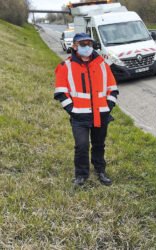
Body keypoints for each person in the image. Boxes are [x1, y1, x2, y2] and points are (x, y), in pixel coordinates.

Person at [54, 33, 119, 186]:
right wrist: (72, 110)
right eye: (83, 44)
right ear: (75, 46)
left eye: (89, 43)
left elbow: (113, 88)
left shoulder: (102, 64)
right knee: (81, 146)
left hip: (101, 115)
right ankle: (81, 175)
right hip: (79, 117)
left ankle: (100, 170)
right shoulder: (66, 66)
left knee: (99, 145)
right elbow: (61, 92)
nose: (87, 47)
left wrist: (108, 107)